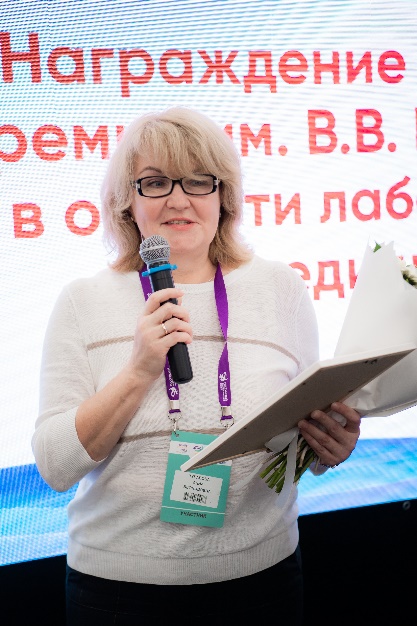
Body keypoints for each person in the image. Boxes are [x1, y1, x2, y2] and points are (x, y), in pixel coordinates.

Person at [32, 107, 361, 625]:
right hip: (119, 593)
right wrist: (139, 370)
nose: (178, 199)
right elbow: (54, 466)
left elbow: (301, 440)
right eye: (155, 182)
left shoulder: (280, 289)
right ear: (126, 202)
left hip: (263, 579)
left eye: (198, 180)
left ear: (223, 196)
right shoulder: (83, 302)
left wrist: (329, 448)